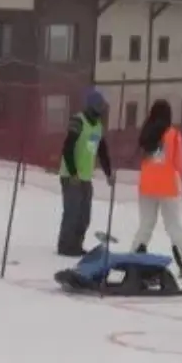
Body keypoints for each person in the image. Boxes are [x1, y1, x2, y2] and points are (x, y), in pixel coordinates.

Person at [130, 99, 182, 279]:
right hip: (167, 187)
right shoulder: (173, 134)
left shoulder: (146, 134)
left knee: (146, 224)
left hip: (147, 186)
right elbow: (179, 162)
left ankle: (135, 257)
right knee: (173, 225)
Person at [57, 88, 114, 256]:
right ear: (90, 107)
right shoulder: (78, 121)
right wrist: (73, 172)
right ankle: (65, 246)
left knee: (84, 215)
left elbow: (102, 151)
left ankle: (76, 245)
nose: (100, 111)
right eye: (98, 107)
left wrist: (108, 173)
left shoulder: (98, 127)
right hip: (71, 176)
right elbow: (67, 148)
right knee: (72, 212)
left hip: (86, 177)